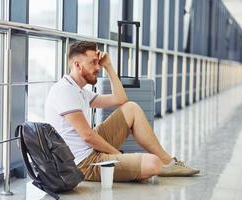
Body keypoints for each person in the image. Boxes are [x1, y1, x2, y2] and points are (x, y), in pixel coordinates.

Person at [45, 41, 199, 182]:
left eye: (98, 63)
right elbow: (87, 136)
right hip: (83, 162)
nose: (98, 68)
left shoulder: (79, 90)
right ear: (77, 65)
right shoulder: (65, 91)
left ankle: (168, 162)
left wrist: (109, 66)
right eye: (93, 63)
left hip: (90, 148)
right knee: (153, 164)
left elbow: (120, 99)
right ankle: (156, 164)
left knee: (131, 108)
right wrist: (117, 155)